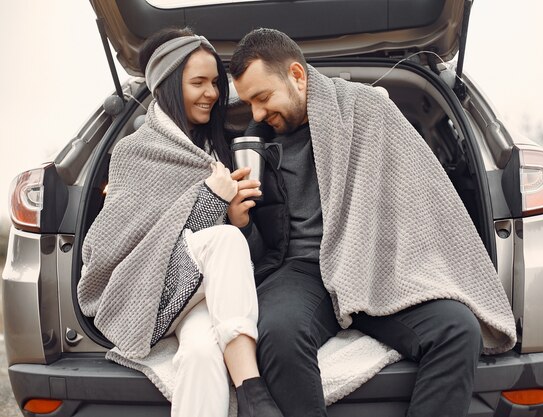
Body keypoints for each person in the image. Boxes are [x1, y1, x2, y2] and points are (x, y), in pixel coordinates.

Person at [227, 28, 517, 417]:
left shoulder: (368, 110)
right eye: (249, 103)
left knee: (457, 329)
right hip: (301, 271)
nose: (257, 114)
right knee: (277, 334)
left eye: (263, 98)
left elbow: (424, 201)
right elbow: (261, 252)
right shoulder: (254, 148)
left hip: (373, 263)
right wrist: (242, 222)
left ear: (297, 75)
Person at [77, 27, 282, 417]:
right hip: (148, 291)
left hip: (202, 295)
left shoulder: (222, 147)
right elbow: (108, 246)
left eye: (215, 83)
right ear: (169, 85)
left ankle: (249, 389)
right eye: (198, 83)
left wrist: (240, 222)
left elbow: (248, 263)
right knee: (222, 240)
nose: (212, 93)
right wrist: (209, 200)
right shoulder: (134, 153)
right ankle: (253, 391)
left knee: (203, 354)